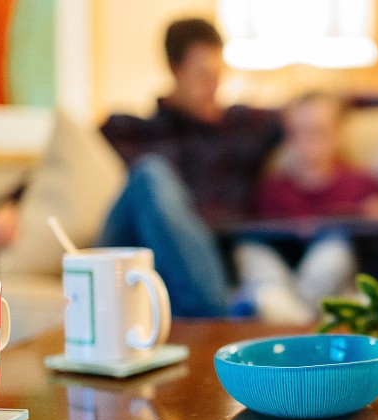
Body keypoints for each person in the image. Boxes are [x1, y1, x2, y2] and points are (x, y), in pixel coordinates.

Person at [94, 18, 282, 317]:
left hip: (213, 264)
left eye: (218, 76)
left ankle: (207, 312)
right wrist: (11, 205)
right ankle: (217, 318)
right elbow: (62, 164)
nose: (212, 88)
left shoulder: (242, 126)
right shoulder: (131, 129)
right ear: (174, 69)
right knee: (150, 173)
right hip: (142, 260)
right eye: (202, 76)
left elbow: (322, 106)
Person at [234, 91, 378, 323]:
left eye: (318, 132)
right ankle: (291, 310)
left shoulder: (363, 183)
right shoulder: (273, 187)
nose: (308, 142)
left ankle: (292, 316)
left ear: (338, 134)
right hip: (284, 272)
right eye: (298, 133)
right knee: (250, 251)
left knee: (333, 252)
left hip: (330, 278)